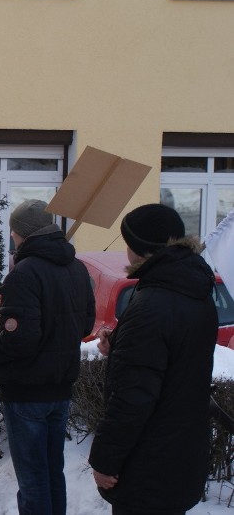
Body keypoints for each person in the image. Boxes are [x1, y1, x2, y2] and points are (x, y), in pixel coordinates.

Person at [89, 204, 217, 515]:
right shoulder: (194, 291)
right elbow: (175, 357)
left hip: (149, 464)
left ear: (140, 249)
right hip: (182, 453)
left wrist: (105, 461)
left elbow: (133, 397)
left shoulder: (152, 305)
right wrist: (120, 343)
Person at [0, 199, 94, 515]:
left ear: (22, 234)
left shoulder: (23, 273)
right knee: (51, 472)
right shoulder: (77, 268)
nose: (12, 237)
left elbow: (19, 339)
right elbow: (85, 324)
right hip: (59, 389)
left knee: (32, 480)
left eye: (13, 231)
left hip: (27, 391)